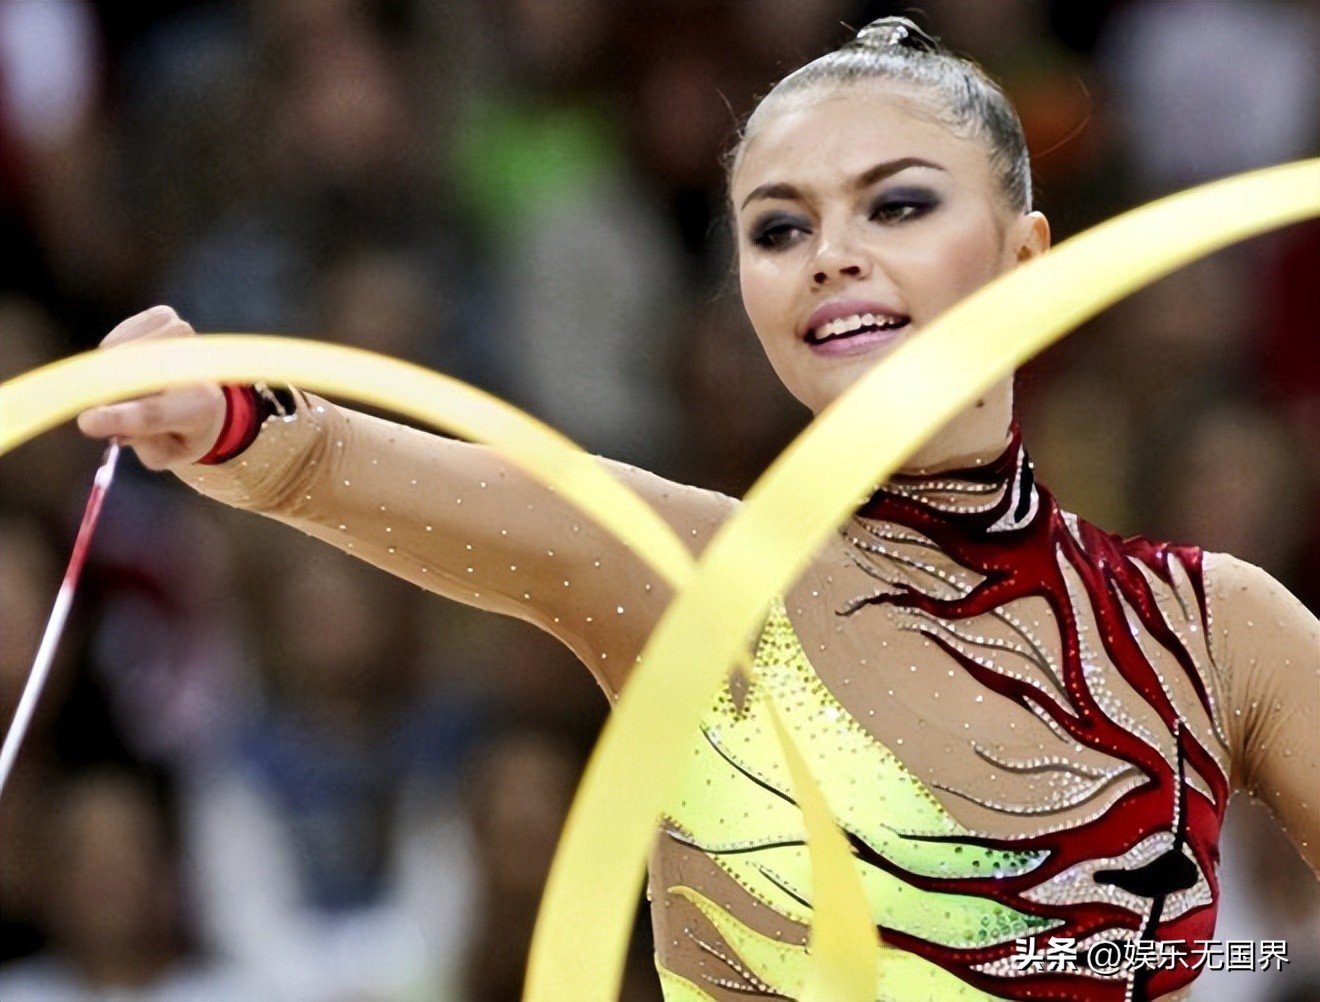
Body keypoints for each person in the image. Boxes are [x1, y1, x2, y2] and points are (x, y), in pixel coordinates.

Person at [74, 17, 1317, 1002]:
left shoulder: (1211, 628)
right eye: (780, 227)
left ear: (1026, 259)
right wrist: (220, 415)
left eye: (896, 204)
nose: (831, 254)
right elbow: (325, 458)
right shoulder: (688, 578)